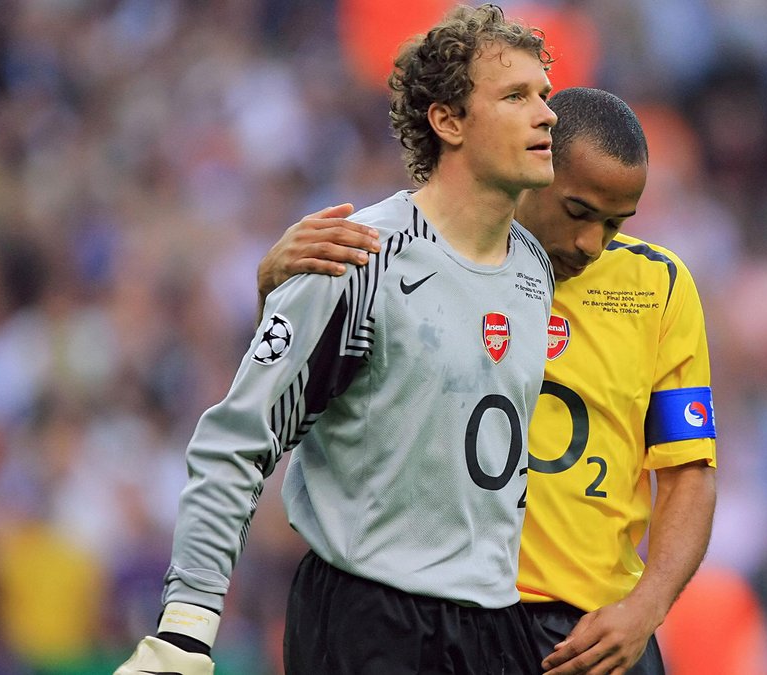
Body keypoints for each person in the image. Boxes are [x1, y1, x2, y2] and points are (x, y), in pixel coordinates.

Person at [117, 4, 558, 674]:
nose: (546, 114)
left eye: (544, 95)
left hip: (493, 621)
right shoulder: (354, 257)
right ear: (448, 121)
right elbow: (238, 439)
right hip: (369, 617)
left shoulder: (533, 268)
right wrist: (186, 627)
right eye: (516, 96)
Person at [260, 87, 718, 675]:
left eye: (614, 223)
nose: (592, 243)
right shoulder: (412, 258)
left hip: (588, 633)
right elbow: (285, 400)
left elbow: (688, 473)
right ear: (533, 170)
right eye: (578, 212)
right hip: (432, 611)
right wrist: (275, 297)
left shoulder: (657, 287)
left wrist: (646, 608)